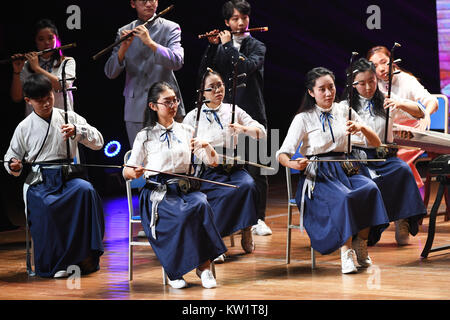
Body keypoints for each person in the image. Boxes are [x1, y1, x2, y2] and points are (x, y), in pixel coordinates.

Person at [277, 67, 390, 274]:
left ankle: (360, 244)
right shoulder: (303, 118)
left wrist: (362, 128)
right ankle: (345, 252)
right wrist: (294, 164)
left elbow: (375, 143)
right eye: (322, 89)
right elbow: (282, 154)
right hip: (319, 176)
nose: (329, 93)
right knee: (345, 198)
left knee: (371, 190)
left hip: (347, 168)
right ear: (311, 92)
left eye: (331, 87)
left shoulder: (345, 110)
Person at [123, 81, 227, 289]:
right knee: (182, 215)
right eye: (167, 102)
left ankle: (204, 267)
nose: (173, 106)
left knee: (201, 204)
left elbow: (213, 162)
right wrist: (133, 172)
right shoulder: (145, 135)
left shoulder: (186, 130)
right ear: (153, 106)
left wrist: (206, 146)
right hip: (157, 192)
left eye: (175, 101)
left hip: (183, 188)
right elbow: (126, 171)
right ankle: (175, 270)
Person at [3, 74, 105, 278]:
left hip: (68, 177)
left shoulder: (68, 116)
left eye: (48, 96)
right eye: (39, 100)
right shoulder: (24, 127)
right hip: (40, 181)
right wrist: (14, 165)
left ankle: (84, 257)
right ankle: (55, 263)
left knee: (86, 191)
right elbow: (10, 158)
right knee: (47, 207)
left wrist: (78, 131)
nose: (46, 103)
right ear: (28, 101)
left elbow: (99, 141)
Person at [198, 0, 271, 236]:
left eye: (244, 18)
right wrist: (212, 47)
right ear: (227, 23)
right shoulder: (220, 47)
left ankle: (258, 218)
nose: (241, 22)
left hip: (251, 115)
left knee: (257, 170)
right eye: (235, 19)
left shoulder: (257, 46)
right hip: (223, 117)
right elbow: (205, 75)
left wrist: (228, 47)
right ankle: (234, 219)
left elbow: (246, 67)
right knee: (229, 169)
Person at [342, 58, 427, 245]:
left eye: (371, 81)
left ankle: (403, 219)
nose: (368, 87)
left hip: (383, 157)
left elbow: (420, 111)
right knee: (366, 181)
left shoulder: (387, 101)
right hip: (358, 157)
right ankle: (366, 230)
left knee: (403, 170)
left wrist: (401, 104)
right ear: (353, 84)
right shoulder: (344, 106)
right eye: (361, 83)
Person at [183, 70, 264, 262]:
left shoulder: (233, 110)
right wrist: (206, 153)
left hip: (233, 168)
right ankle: (216, 241)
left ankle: (246, 229)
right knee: (222, 194)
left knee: (249, 185)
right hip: (208, 170)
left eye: (220, 85)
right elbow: (189, 146)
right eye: (212, 88)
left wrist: (244, 129)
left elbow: (261, 132)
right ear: (202, 92)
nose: (218, 90)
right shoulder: (193, 117)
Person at [104, 0, 185, 148]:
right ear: (133, 3)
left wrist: (150, 42)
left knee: (174, 158)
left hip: (167, 106)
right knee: (141, 161)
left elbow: (177, 61)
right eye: (143, 0)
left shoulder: (171, 28)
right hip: (136, 107)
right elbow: (110, 72)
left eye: (152, 0)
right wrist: (123, 48)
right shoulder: (124, 30)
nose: (149, 4)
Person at [367, 45, 439, 188]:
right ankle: (411, 195)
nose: (381, 68)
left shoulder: (406, 80)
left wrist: (425, 115)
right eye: (375, 65)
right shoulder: (374, 84)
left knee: (391, 160)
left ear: (392, 60)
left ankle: (409, 196)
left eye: (383, 62)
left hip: (411, 133)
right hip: (389, 133)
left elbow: (432, 101)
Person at [10, 19, 76, 117]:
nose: (46, 42)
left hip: (62, 121)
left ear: (56, 39)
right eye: (41, 39)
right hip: (35, 123)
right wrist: (17, 71)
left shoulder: (67, 61)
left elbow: (61, 86)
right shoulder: (27, 64)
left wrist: (37, 68)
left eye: (50, 38)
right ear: (35, 42)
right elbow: (16, 97)